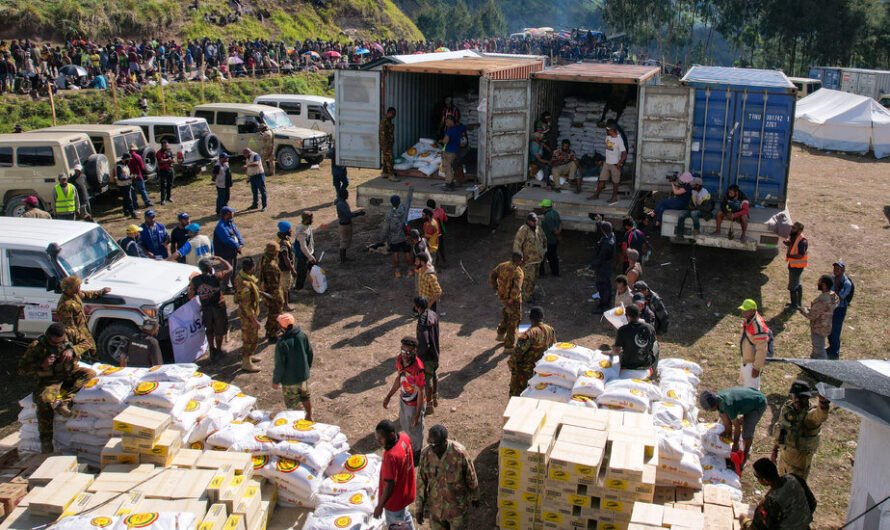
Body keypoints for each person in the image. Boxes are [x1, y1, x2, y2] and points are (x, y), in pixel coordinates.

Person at [19, 323, 96, 453]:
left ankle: (65, 402)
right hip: (50, 380)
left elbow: (88, 341)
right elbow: (21, 369)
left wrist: (73, 350)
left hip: (70, 373)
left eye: (60, 342)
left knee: (90, 374)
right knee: (44, 402)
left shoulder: (70, 333)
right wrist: (41, 365)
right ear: (48, 338)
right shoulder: (37, 347)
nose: (58, 345)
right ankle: (46, 442)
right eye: (55, 343)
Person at [416, 424, 480, 530]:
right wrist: (419, 508)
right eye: (430, 443)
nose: (432, 447)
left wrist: (475, 496)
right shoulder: (425, 454)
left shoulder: (459, 453)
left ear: (444, 441)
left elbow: (470, 474)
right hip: (436, 509)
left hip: (457, 509)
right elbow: (421, 482)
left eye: (435, 445)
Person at [772, 380, 831, 480]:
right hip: (783, 461)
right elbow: (781, 429)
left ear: (808, 397)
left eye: (802, 397)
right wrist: (774, 451)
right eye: (795, 396)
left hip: (798, 467)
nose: (798, 400)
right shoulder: (788, 409)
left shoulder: (809, 417)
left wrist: (823, 403)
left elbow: (819, 416)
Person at [740, 458, 816, 529]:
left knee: (742, 517)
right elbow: (812, 503)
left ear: (765, 480)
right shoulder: (794, 478)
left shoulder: (769, 503)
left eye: (757, 477)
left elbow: (757, 528)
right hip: (805, 527)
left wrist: (745, 523)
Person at [383, 336, 426, 463]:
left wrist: (416, 416)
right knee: (405, 425)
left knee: (416, 430)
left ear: (415, 352)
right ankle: (412, 446)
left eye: (409, 352)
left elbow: (421, 393)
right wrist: (389, 396)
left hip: (414, 404)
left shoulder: (418, 369)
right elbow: (399, 379)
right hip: (404, 399)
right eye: (403, 351)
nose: (405, 355)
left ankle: (417, 455)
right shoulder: (399, 360)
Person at [699, 386, 768, 465]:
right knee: (726, 417)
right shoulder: (718, 399)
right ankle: (745, 415)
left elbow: (737, 427)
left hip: (758, 403)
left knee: (746, 433)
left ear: (713, 405)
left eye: (710, 409)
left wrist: (735, 445)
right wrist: (726, 431)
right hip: (749, 398)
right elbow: (725, 418)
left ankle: (745, 453)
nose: (710, 411)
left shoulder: (728, 405)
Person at [56, 275, 110, 364]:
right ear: (70, 288)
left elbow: (85, 294)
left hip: (83, 329)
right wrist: (79, 340)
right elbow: (68, 326)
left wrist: (101, 292)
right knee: (84, 353)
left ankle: (96, 363)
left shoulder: (75, 294)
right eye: (77, 286)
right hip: (76, 333)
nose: (79, 288)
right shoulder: (66, 305)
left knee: (93, 349)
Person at [188, 256, 232, 362]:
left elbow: (190, 294)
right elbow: (230, 268)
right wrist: (220, 259)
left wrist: (201, 297)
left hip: (206, 308)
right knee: (219, 330)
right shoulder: (216, 277)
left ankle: (212, 351)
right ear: (209, 268)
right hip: (218, 307)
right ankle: (219, 350)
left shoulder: (195, 280)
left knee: (209, 329)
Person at [373, 419, 416, 526]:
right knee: (405, 516)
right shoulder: (404, 438)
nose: (378, 441)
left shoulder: (391, 456)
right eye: (377, 437)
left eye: (381, 438)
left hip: (395, 501)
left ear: (391, 436)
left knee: (396, 525)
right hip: (406, 492)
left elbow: (390, 485)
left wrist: (380, 506)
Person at [273, 313, 314, 419]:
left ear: (283, 326)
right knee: (305, 396)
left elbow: (280, 365)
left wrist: (276, 381)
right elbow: (309, 353)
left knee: (292, 402)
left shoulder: (282, 342)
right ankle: (309, 415)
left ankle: (299, 421)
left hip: (289, 380)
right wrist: (306, 368)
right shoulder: (302, 335)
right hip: (303, 376)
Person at [511, 306, 556, 396]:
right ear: (542, 317)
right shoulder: (550, 330)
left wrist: (512, 366)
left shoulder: (528, 334)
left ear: (530, 318)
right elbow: (554, 348)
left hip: (525, 373)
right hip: (542, 371)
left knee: (517, 396)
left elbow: (517, 354)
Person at [611, 304, 659, 379]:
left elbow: (616, 351)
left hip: (628, 364)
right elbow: (653, 344)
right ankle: (654, 373)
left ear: (627, 316)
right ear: (639, 314)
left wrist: (610, 351)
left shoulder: (622, 330)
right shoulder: (650, 328)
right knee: (657, 345)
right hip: (645, 364)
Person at [490, 252, 524, 353]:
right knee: (514, 320)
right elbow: (516, 289)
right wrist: (512, 299)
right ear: (520, 260)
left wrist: (495, 287)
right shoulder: (518, 272)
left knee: (506, 313)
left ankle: (500, 333)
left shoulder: (502, 265)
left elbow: (493, 275)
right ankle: (509, 346)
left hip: (502, 296)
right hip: (513, 300)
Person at [798, 274, 839, 359]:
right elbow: (824, 309)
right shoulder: (833, 295)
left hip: (818, 328)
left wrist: (802, 309)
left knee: (819, 348)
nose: (818, 284)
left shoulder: (822, 300)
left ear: (824, 285)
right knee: (817, 347)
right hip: (826, 325)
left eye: (819, 282)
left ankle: (823, 367)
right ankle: (813, 361)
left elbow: (811, 316)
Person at [234, 257, 262, 373]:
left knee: (251, 336)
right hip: (248, 316)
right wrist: (254, 320)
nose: (255, 267)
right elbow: (247, 306)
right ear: (250, 268)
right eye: (254, 266)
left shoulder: (241, 276)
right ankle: (246, 362)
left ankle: (249, 356)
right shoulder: (245, 286)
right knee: (249, 338)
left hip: (247, 313)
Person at [590, 120, 626, 203]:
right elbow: (609, 147)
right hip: (607, 163)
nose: (606, 131)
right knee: (602, 179)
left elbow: (624, 153)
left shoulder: (619, 139)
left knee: (615, 182)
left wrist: (620, 163)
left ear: (613, 130)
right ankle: (596, 195)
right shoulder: (608, 137)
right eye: (606, 130)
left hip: (615, 164)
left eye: (608, 130)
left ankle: (614, 197)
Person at [414, 296, 440, 414]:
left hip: (426, 355)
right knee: (434, 374)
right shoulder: (433, 314)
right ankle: (435, 397)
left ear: (418, 307)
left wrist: (418, 353)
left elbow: (424, 338)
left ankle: (429, 406)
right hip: (435, 350)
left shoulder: (422, 321)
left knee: (426, 379)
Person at [737, 298, 771, 389]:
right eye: (742, 310)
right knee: (744, 386)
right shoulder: (749, 319)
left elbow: (762, 350)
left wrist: (756, 368)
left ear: (753, 311)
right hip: (746, 360)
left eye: (745, 311)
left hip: (751, 364)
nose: (743, 312)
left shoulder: (758, 326)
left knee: (752, 390)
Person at [513, 213, 546, 302]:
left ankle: (529, 293)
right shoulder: (523, 230)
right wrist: (518, 257)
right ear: (528, 221)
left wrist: (544, 250)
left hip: (537, 260)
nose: (535, 223)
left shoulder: (538, 229)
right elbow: (517, 243)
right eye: (533, 221)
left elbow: (543, 239)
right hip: (528, 261)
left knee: (534, 278)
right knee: (528, 280)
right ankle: (525, 297)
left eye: (536, 221)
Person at [213, 206, 244, 292]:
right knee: (228, 269)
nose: (233, 214)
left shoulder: (230, 222)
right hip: (225, 253)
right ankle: (226, 286)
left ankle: (233, 283)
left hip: (232, 250)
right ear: (226, 215)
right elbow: (227, 239)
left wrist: (241, 242)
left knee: (233, 268)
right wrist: (237, 246)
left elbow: (236, 232)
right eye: (232, 212)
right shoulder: (221, 227)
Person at [380, 195, 411, 278]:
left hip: (394, 238)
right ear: (399, 202)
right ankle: (410, 270)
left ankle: (397, 271)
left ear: (391, 203)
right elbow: (408, 202)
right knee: (407, 252)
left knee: (395, 253)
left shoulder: (389, 214)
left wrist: (382, 239)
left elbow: (386, 228)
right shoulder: (403, 210)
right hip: (404, 236)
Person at [828, 261, 853, 360]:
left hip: (840, 309)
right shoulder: (832, 278)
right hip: (831, 307)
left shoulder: (846, 283)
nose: (835, 271)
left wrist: (835, 289)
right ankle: (831, 347)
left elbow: (840, 297)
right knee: (829, 328)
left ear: (843, 270)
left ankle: (835, 353)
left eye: (838, 269)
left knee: (835, 330)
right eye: (834, 268)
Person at [260, 241, 284, 342]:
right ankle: (272, 334)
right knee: (275, 313)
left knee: (271, 312)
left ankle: (270, 330)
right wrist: (278, 298)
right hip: (273, 293)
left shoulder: (264, 259)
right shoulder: (272, 266)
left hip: (266, 290)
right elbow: (274, 284)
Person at [591, 221, 616, 314]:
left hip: (603, 268)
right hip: (608, 266)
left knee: (602, 287)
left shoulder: (606, 243)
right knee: (608, 285)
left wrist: (592, 265)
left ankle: (603, 306)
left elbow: (600, 257)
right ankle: (608, 301)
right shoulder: (612, 236)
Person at [784, 221, 809, 310]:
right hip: (793, 264)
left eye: (794, 228)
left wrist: (789, 255)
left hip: (797, 266)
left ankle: (794, 305)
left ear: (800, 230)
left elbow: (800, 255)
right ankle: (797, 303)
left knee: (792, 286)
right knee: (796, 284)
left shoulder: (802, 241)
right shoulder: (794, 236)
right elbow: (793, 245)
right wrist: (788, 244)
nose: (792, 229)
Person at [335, 189, 365, 263]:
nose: (348, 195)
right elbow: (349, 215)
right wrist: (359, 214)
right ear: (343, 195)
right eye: (347, 194)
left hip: (345, 224)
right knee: (344, 242)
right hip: (345, 225)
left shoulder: (341, 202)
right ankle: (343, 260)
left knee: (345, 241)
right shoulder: (341, 204)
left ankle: (344, 258)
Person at [438, 115, 466, 191]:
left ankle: (449, 184)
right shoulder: (459, 128)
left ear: (451, 122)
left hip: (449, 152)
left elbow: (445, 141)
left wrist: (441, 141)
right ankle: (452, 182)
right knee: (452, 167)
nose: (446, 123)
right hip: (456, 151)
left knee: (447, 168)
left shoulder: (449, 130)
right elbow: (464, 127)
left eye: (447, 121)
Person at [293, 212, 317, 291]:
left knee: (314, 269)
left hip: (310, 252)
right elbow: (303, 247)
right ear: (307, 219)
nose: (313, 220)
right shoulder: (301, 231)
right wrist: (310, 257)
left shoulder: (307, 225)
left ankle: (316, 284)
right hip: (304, 255)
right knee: (302, 272)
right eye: (311, 218)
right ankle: (298, 289)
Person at [276, 221, 296, 309]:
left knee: (282, 285)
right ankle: (285, 304)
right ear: (285, 230)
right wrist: (292, 269)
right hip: (284, 268)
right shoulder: (283, 243)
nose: (291, 231)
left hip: (279, 266)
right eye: (289, 229)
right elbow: (286, 258)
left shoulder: (280, 238)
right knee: (285, 286)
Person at [539, 199, 561, 277]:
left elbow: (555, 231)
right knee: (553, 257)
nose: (541, 208)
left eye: (542, 206)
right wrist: (558, 238)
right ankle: (556, 273)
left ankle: (541, 274)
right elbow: (560, 224)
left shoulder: (548, 217)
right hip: (553, 241)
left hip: (547, 241)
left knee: (541, 258)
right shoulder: (555, 213)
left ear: (545, 207)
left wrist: (557, 234)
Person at [243, 147, 268, 211]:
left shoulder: (255, 155)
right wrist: (248, 178)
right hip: (252, 176)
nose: (244, 155)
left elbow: (256, 163)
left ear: (248, 153)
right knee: (254, 192)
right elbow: (249, 170)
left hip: (259, 175)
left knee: (262, 191)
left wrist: (247, 165)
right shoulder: (247, 158)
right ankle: (255, 205)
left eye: (245, 154)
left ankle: (264, 206)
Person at [115, 153, 137, 219]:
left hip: (128, 184)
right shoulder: (119, 166)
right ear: (125, 159)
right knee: (129, 199)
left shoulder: (126, 165)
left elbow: (126, 174)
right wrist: (129, 177)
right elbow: (120, 178)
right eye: (128, 159)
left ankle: (126, 212)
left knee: (125, 199)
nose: (129, 161)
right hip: (123, 185)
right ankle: (133, 214)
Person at [381, 107, 398, 182]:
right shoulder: (384, 122)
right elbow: (383, 135)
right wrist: (385, 146)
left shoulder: (388, 120)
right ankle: (391, 175)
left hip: (388, 143)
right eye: (393, 114)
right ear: (390, 113)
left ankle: (385, 172)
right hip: (386, 144)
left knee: (386, 158)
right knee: (390, 159)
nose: (394, 116)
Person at [157, 139, 175, 204]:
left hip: (170, 169)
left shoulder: (169, 151)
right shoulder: (159, 152)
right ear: (162, 145)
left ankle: (169, 197)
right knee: (163, 185)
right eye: (165, 145)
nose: (166, 146)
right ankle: (163, 200)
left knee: (170, 184)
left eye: (167, 145)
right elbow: (160, 160)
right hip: (163, 170)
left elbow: (173, 158)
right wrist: (168, 160)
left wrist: (172, 160)